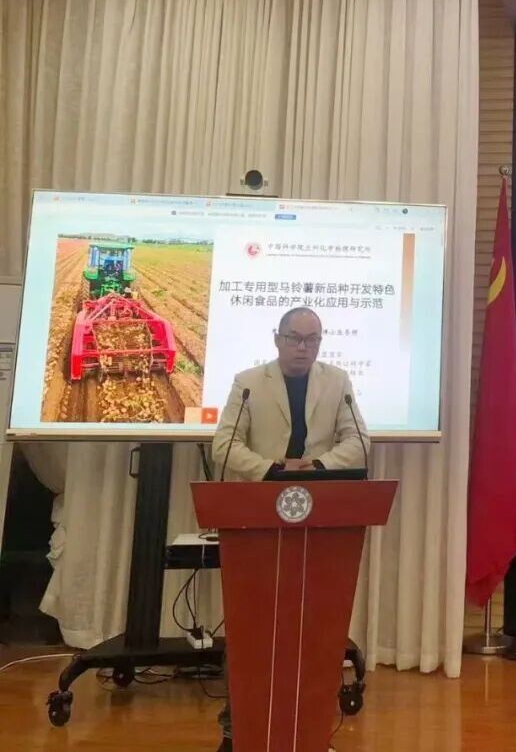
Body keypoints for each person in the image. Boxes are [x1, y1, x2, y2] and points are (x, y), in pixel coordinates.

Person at [210, 306, 370, 752]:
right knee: (252, 630)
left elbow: (359, 442)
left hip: (320, 520)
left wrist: (316, 466)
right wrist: (272, 470)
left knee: (314, 631)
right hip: (260, 519)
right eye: (295, 338)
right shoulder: (248, 382)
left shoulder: (337, 381)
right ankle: (237, 730)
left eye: (312, 339)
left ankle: (311, 732)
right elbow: (224, 445)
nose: (303, 347)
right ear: (277, 338)